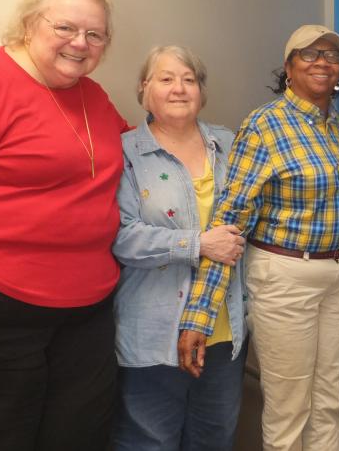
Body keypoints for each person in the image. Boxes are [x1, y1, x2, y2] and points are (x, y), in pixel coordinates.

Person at [177, 25, 339, 451]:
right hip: (286, 275)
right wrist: (200, 313)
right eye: (309, 54)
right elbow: (231, 218)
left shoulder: (335, 126)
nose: (322, 61)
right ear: (288, 66)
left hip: (338, 274)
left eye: (332, 55)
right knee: (289, 408)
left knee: (328, 403)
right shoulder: (266, 124)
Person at [0, 0, 129, 451]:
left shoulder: (93, 95)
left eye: (95, 35)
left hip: (90, 306)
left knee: (81, 433)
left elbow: (134, 153)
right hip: (7, 307)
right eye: (66, 28)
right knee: (10, 431)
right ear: (30, 25)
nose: (80, 43)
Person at [110, 46, 247, 450]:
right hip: (153, 331)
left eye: (189, 79)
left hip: (224, 330)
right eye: (166, 79)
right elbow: (122, 237)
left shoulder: (229, 144)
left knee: (214, 439)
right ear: (143, 88)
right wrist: (198, 243)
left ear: (201, 91)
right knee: (148, 440)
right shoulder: (125, 152)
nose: (179, 88)